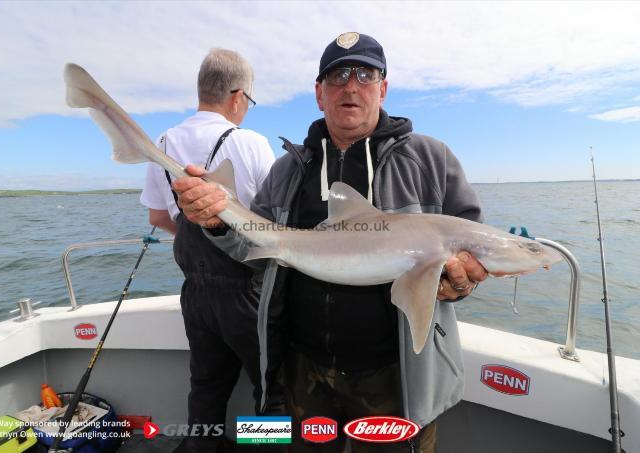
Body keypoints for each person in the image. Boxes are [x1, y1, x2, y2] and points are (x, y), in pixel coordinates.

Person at [174, 33, 488, 453]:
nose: (351, 85)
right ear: (320, 94)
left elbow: (471, 246)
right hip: (304, 370)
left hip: (397, 373)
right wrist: (217, 224)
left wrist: (461, 283)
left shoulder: (431, 160)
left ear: (383, 87)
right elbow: (253, 255)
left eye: (365, 73)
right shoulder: (289, 169)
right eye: (338, 75)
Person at [140, 48, 277, 452]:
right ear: (237, 97)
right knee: (270, 388)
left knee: (206, 388)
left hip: (195, 295)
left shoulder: (162, 143)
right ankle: (263, 445)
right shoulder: (249, 143)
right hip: (247, 291)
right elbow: (273, 222)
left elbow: (158, 217)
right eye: (248, 102)